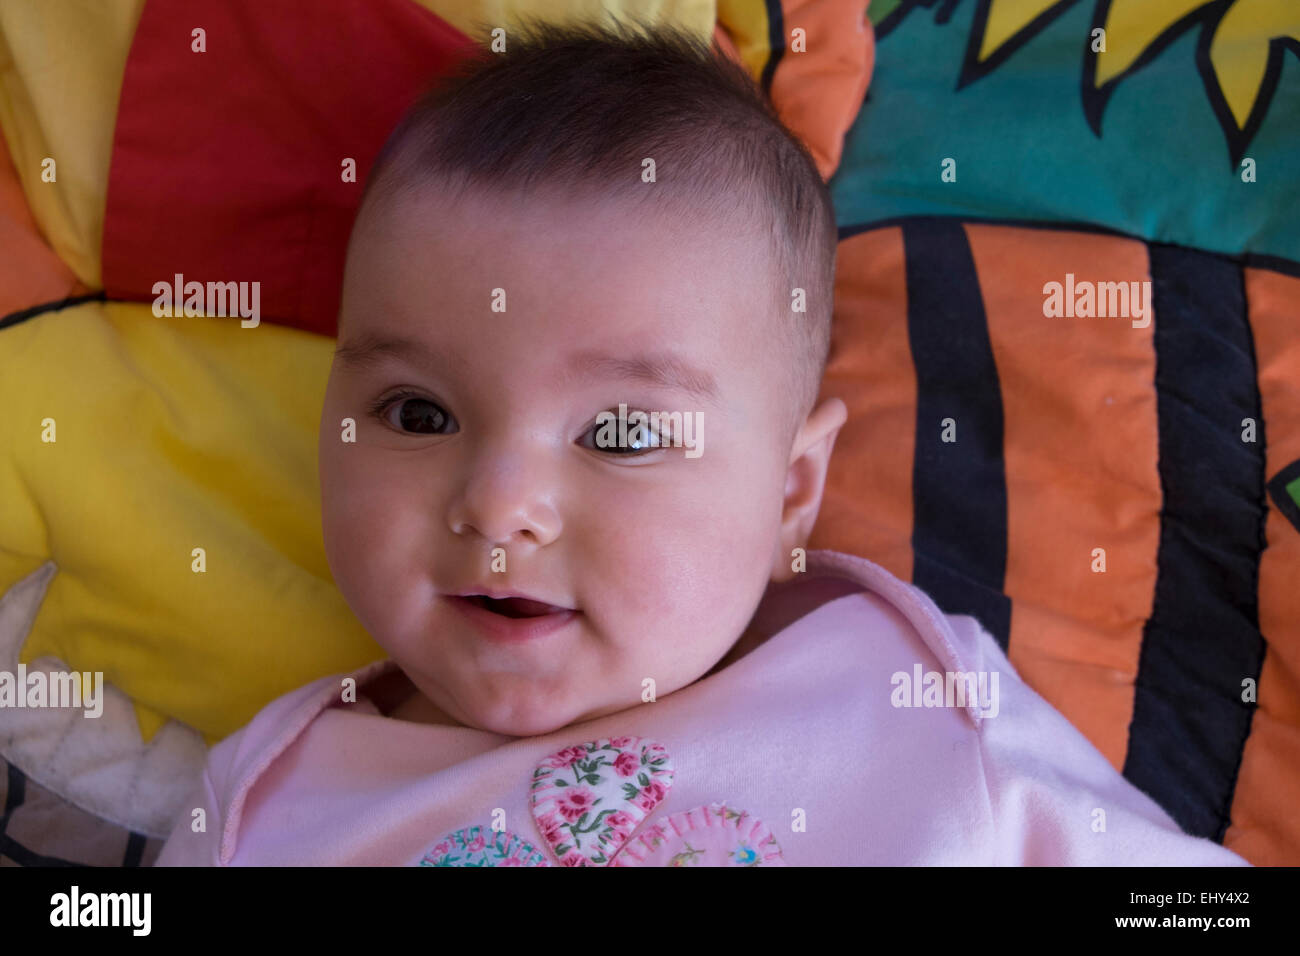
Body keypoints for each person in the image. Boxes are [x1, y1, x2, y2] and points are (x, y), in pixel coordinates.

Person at [155, 17, 1248, 867]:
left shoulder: (901, 690)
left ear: (790, 492)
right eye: (419, 413)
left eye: (623, 430)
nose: (497, 505)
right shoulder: (272, 789)